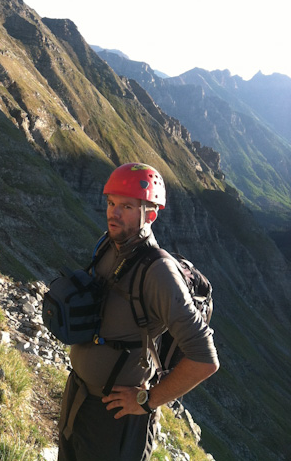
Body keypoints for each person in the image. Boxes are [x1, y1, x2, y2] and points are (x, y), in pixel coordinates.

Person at [57, 162, 219, 461]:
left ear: (151, 214)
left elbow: (205, 359)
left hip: (116, 419)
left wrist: (146, 401)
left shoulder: (158, 272)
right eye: (111, 202)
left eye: (127, 206)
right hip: (78, 397)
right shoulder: (108, 244)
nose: (113, 213)